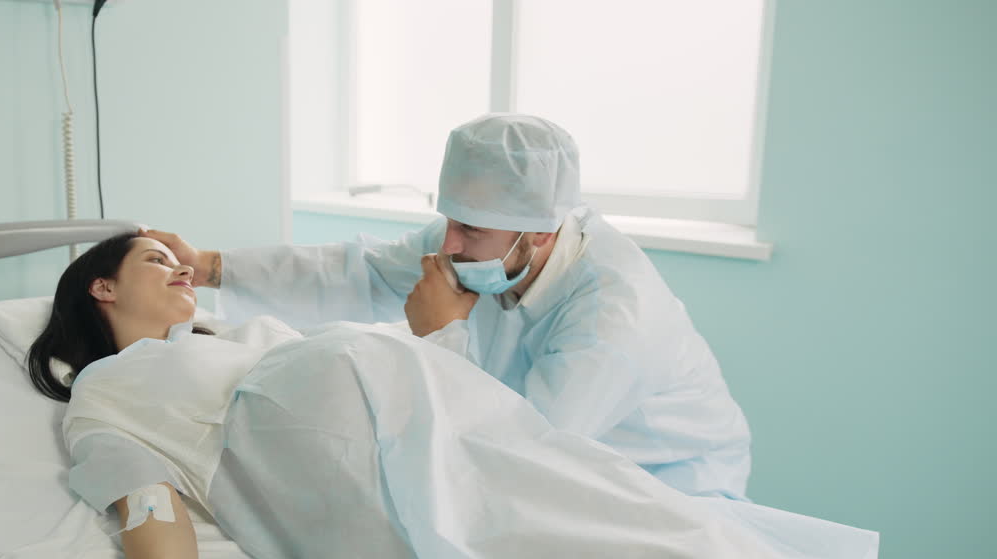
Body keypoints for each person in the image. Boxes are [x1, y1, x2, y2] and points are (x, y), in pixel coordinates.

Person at [27, 233, 997, 559]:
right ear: (99, 288)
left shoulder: (241, 334)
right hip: (365, 483)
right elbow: (142, 496)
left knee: (708, 547)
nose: (182, 267)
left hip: (459, 429)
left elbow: (345, 280)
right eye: (156, 259)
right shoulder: (109, 389)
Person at [148, 114, 753, 500]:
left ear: (541, 233)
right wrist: (210, 265)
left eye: (472, 231)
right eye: (449, 221)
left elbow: (528, 451)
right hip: (545, 474)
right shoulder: (479, 243)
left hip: (668, 490)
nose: (450, 246)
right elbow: (357, 270)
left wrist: (443, 336)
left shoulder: (614, 317)